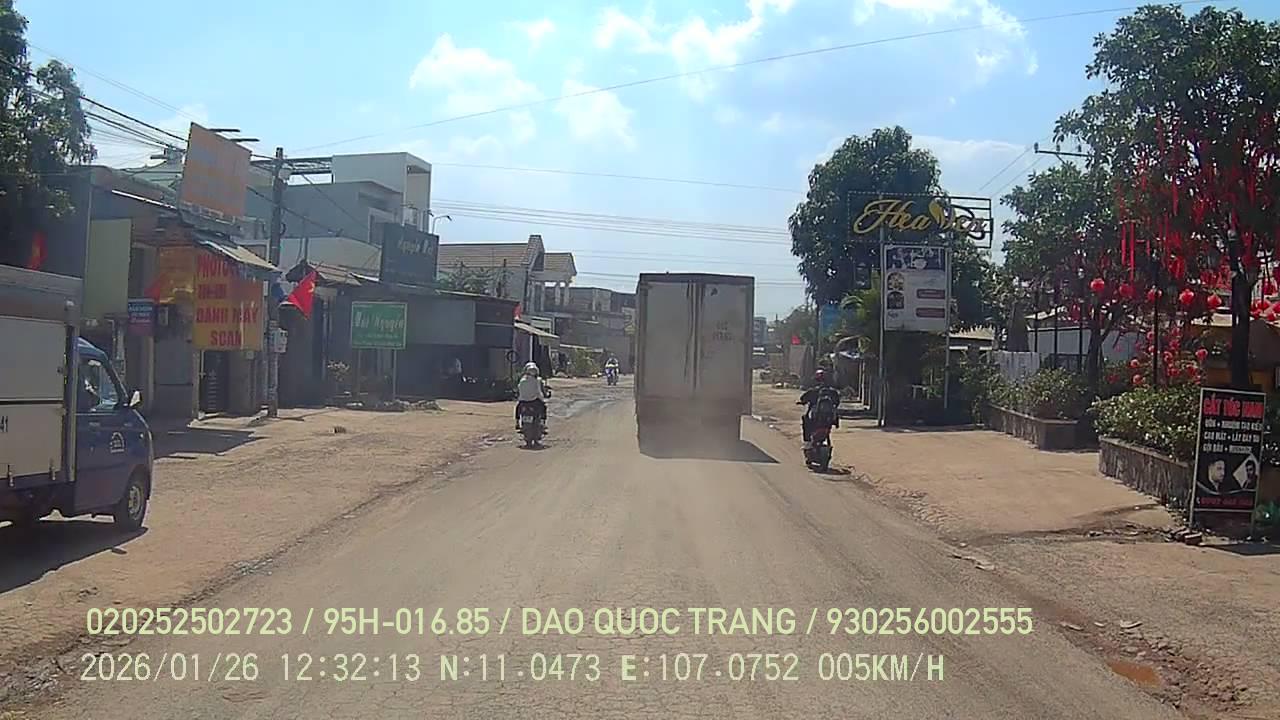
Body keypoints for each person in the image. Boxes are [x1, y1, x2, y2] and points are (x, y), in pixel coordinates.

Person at [797, 369, 840, 448]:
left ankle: (807, 441)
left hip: (816, 419)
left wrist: (803, 402)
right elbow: (837, 402)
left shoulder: (813, 391)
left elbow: (803, 398)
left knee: (805, 419)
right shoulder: (832, 392)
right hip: (828, 421)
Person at [516, 362, 549, 431]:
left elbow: (519, 390)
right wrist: (545, 395)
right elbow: (541, 391)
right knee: (543, 407)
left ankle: (517, 422)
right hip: (535, 400)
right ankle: (542, 422)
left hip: (523, 401)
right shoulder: (538, 380)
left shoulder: (522, 381)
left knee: (518, 408)